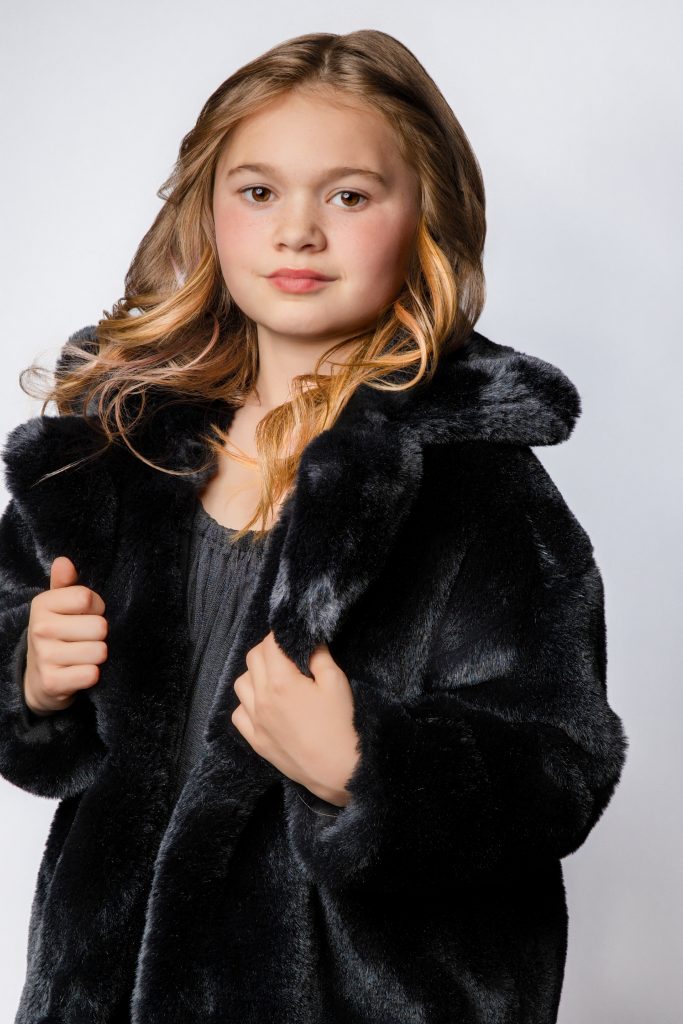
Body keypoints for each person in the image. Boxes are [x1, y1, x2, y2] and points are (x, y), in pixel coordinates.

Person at [0, 28, 628, 1024]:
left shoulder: (473, 486)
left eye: (348, 196)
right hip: (104, 990)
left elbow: (558, 761)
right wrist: (29, 676)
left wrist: (366, 765)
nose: (297, 231)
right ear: (208, 211)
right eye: (258, 191)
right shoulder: (112, 454)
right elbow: (20, 669)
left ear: (424, 217)